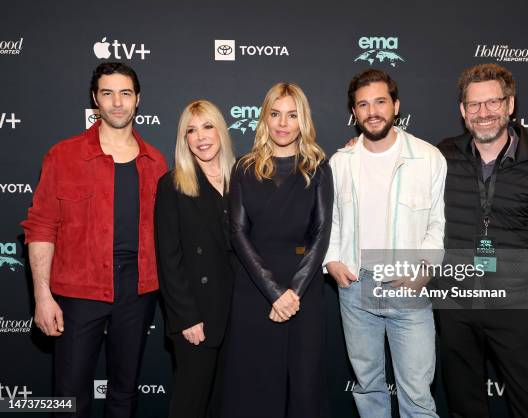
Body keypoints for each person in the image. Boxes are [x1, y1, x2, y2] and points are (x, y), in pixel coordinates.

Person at [21, 62, 167, 418]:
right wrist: (42, 295)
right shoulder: (63, 155)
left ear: (138, 100)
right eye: (107, 93)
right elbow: (41, 226)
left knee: (124, 391)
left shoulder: (156, 162)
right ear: (95, 100)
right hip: (77, 288)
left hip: (137, 288)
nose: (117, 103)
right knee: (69, 395)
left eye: (125, 93)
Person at [436, 63, 528, 417]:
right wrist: (359, 147)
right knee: (465, 407)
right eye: (474, 105)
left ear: (510, 105)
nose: (484, 114)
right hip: (458, 304)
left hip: (516, 304)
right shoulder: (441, 157)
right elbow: (391, 161)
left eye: (493, 103)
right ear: (462, 111)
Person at [323, 68, 446, 418]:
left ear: (396, 105)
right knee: (368, 388)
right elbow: (329, 221)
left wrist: (426, 266)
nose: (372, 111)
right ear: (354, 112)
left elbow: (437, 221)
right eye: (363, 104)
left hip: (408, 287)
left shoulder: (428, 158)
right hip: (356, 287)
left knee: (418, 397)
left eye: (379, 101)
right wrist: (332, 260)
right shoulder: (340, 162)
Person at [221, 82, 333, 418]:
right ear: (265, 119)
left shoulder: (318, 167)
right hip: (254, 291)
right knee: (255, 386)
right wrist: (274, 293)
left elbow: (322, 232)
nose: (283, 123)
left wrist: (292, 294)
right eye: (275, 114)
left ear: (303, 121)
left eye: (292, 115)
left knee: (304, 386)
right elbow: (238, 233)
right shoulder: (244, 168)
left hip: (303, 291)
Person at [154, 100, 235, 418]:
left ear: (221, 131)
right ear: (183, 140)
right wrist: (185, 318)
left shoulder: (241, 176)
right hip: (196, 316)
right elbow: (168, 259)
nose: (201, 137)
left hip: (238, 312)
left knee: (224, 404)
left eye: (207, 126)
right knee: (190, 404)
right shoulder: (173, 184)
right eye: (191, 130)